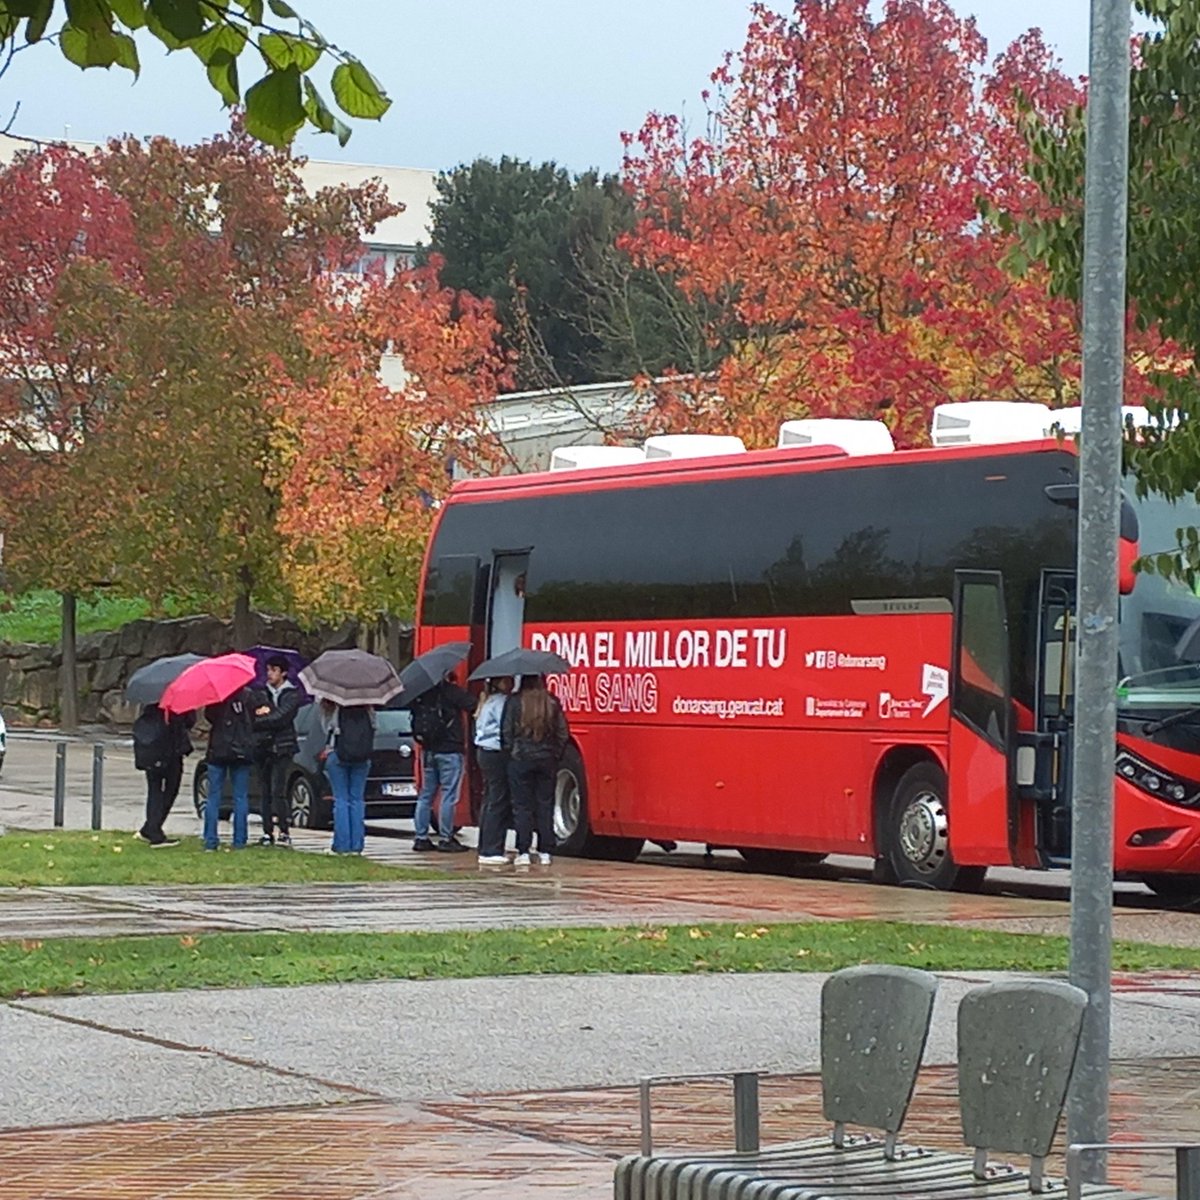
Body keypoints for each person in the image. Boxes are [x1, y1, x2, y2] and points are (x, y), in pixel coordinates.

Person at [502, 673, 569, 867]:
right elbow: (563, 733)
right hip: (546, 759)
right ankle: (545, 850)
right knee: (545, 805)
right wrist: (555, 754)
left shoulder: (514, 702)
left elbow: (506, 732)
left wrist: (513, 752)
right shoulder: (551, 702)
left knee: (522, 806)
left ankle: (523, 850)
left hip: (521, 759)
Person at [410, 670, 476, 853]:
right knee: (449, 795)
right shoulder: (451, 691)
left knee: (426, 795)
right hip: (450, 750)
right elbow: (472, 704)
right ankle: (446, 838)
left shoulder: (421, 694)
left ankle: (421, 838)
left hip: (429, 750)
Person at [253, 654, 302, 847]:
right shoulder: (260, 693)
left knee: (278, 790)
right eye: (268, 670)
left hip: (283, 747)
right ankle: (267, 832)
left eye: (274, 670)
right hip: (263, 747)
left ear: (283, 673)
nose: (270, 674)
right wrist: (263, 719)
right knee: (264, 791)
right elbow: (254, 715)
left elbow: (282, 717)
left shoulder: (291, 694)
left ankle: (284, 830)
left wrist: (265, 717)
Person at [133, 702, 194, 847]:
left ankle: (151, 827)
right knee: (170, 790)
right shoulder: (179, 702)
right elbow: (189, 722)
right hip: (171, 752)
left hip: (152, 753)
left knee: (154, 791)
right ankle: (153, 830)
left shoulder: (151, 704)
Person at [203, 686, 257, 851]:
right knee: (240, 797)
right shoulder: (248, 696)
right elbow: (253, 720)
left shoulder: (215, 697)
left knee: (213, 797)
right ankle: (240, 840)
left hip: (218, 749)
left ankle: (210, 840)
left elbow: (210, 717)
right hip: (241, 750)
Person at [319, 699, 375, 854]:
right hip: (362, 757)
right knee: (357, 800)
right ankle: (357, 845)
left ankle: (342, 845)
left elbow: (326, 728)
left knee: (341, 799)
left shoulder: (332, 705)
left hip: (338, 755)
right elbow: (374, 727)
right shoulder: (368, 706)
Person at [474, 676, 514, 866]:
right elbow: (505, 726)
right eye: (508, 680)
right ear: (498, 682)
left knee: (489, 798)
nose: (512, 682)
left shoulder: (487, 701)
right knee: (498, 800)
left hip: (484, 752)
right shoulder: (502, 702)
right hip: (496, 752)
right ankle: (492, 849)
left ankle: (485, 846)